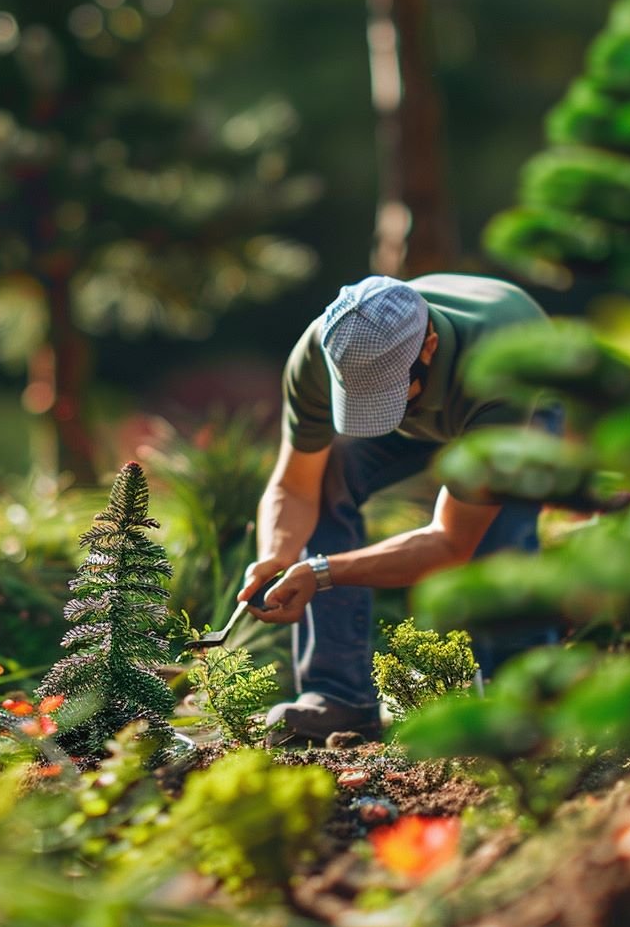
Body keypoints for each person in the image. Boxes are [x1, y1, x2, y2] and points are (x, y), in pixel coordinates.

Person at [238, 273, 561, 744]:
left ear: (428, 345)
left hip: (516, 400)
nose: (370, 415)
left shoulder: (500, 373)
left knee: (500, 538)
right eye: (358, 401)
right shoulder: (318, 352)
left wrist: (321, 572)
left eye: (385, 396)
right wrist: (278, 554)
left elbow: (451, 541)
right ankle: (337, 696)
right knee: (331, 470)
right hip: (431, 404)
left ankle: (521, 700)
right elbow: (295, 485)